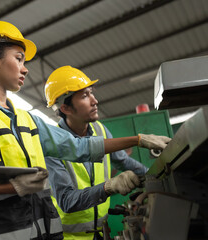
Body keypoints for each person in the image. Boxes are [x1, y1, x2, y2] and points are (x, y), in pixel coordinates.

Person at [0, 21, 171, 240]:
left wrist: (140, 140)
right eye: (18, 58)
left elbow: (79, 146)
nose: (25, 69)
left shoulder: (27, 120)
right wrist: (11, 187)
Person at [44, 66, 169, 240]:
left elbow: (123, 161)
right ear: (65, 108)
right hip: (70, 237)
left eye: (91, 92)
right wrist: (108, 187)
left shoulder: (100, 130)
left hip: (101, 232)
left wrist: (156, 177)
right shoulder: (52, 146)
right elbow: (67, 200)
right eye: (85, 96)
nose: (94, 101)